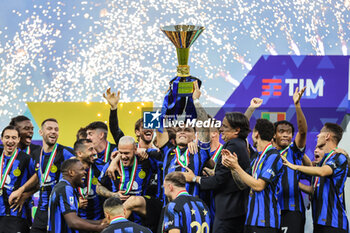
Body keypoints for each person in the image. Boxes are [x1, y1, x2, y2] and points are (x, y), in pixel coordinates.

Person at [182, 111, 250, 233]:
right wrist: (213, 172)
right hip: (235, 210)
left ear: (236, 131)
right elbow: (228, 176)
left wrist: (194, 178)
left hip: (228, 211)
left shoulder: (232, 146)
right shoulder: (240, 144)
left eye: (225, 126)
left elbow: (219, 181)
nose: (221, 129)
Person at [9, 118, 75, 233]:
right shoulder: (35, 154)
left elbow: (81, 165)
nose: (53, 132)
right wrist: (23, 192)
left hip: (59, 210)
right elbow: (38, 177)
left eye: (56, 129)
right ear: (41, 132)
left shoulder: (65, 152)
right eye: (49, 129)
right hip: (41, 211)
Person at [281, 123, 349, 233]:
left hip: (334, 224)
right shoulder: (321, 163)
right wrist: (294, 183)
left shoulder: (339, 157)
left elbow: (322, 172)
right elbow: (313, 189)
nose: (317, 136)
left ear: (327, 136)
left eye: (320, 133)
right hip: (318, 223)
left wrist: (295, 166)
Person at [222, 118, 283, 233]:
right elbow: (242, 184)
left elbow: (259, 186)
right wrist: (232, 167)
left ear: (256, 134)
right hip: (250, 220)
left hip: (266, 221)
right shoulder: (255, 157)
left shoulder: (273, 156)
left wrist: (236, 167)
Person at [97, 136, 161, 232]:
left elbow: (161, 154)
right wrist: (113, 194)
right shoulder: (112, 164)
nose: (123, 156)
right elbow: (98, 187)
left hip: (143, 213)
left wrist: (144, 150)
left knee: (133, 200)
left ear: (135, 149)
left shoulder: (145, 160)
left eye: (126, 153)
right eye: (120, 153)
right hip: (121, 212)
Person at [273, 87, 310, 233]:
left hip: (292, 210)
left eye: (289, 133)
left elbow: (303, 131)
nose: (286, 135)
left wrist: (297, 105)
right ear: (274, 135)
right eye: (281, 131)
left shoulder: (293, 152)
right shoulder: (267, 154)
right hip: (270, 210)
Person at [48, 158, 107, 233]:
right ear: (71, 172)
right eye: (81, 169)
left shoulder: (65, 187)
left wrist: (100, 222)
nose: (84, 172)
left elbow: (74, 219)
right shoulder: (65, 188)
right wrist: (99, 228)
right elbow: (72, 222)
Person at [0, 126, 35, 233]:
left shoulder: (25, 159)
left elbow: (38, 180)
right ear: (1, 139)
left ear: (19, 140)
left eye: (14, 138)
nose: (10, 141)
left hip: (14, 214)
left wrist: (24, 194)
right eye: (7, 137)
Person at [74, 139, 105, 221]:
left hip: (99, 222)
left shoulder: (100, 166)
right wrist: (76, 203)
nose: (95, 152)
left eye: (94, 149)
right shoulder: (70, 171)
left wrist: (114, 162)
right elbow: (61, 195)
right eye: (91, 149)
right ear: (79, 153)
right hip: (78, 224)